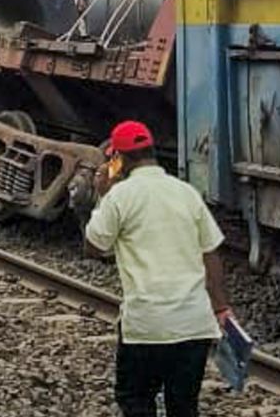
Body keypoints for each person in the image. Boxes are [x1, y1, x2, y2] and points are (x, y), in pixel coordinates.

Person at [84, 120, 232, 417]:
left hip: (146, 326)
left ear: (119, 159)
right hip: (194, 323)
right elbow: (211, 253)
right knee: (184, 406)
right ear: (151, 151)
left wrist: (101, 194)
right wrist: (220, 308)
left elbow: (93, 246)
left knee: (136, 401)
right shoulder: (186, 193)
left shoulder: (119, 197)